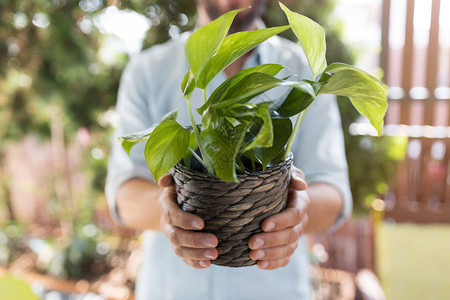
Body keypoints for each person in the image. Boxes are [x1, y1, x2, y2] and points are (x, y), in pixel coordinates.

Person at [106, 0, 352, 298]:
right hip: (173, 289)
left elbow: (333, 191)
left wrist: (298, 212)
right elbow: (123, 193)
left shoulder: (305, 72)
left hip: (273, 290)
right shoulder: (148, 71)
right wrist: (165, 212)